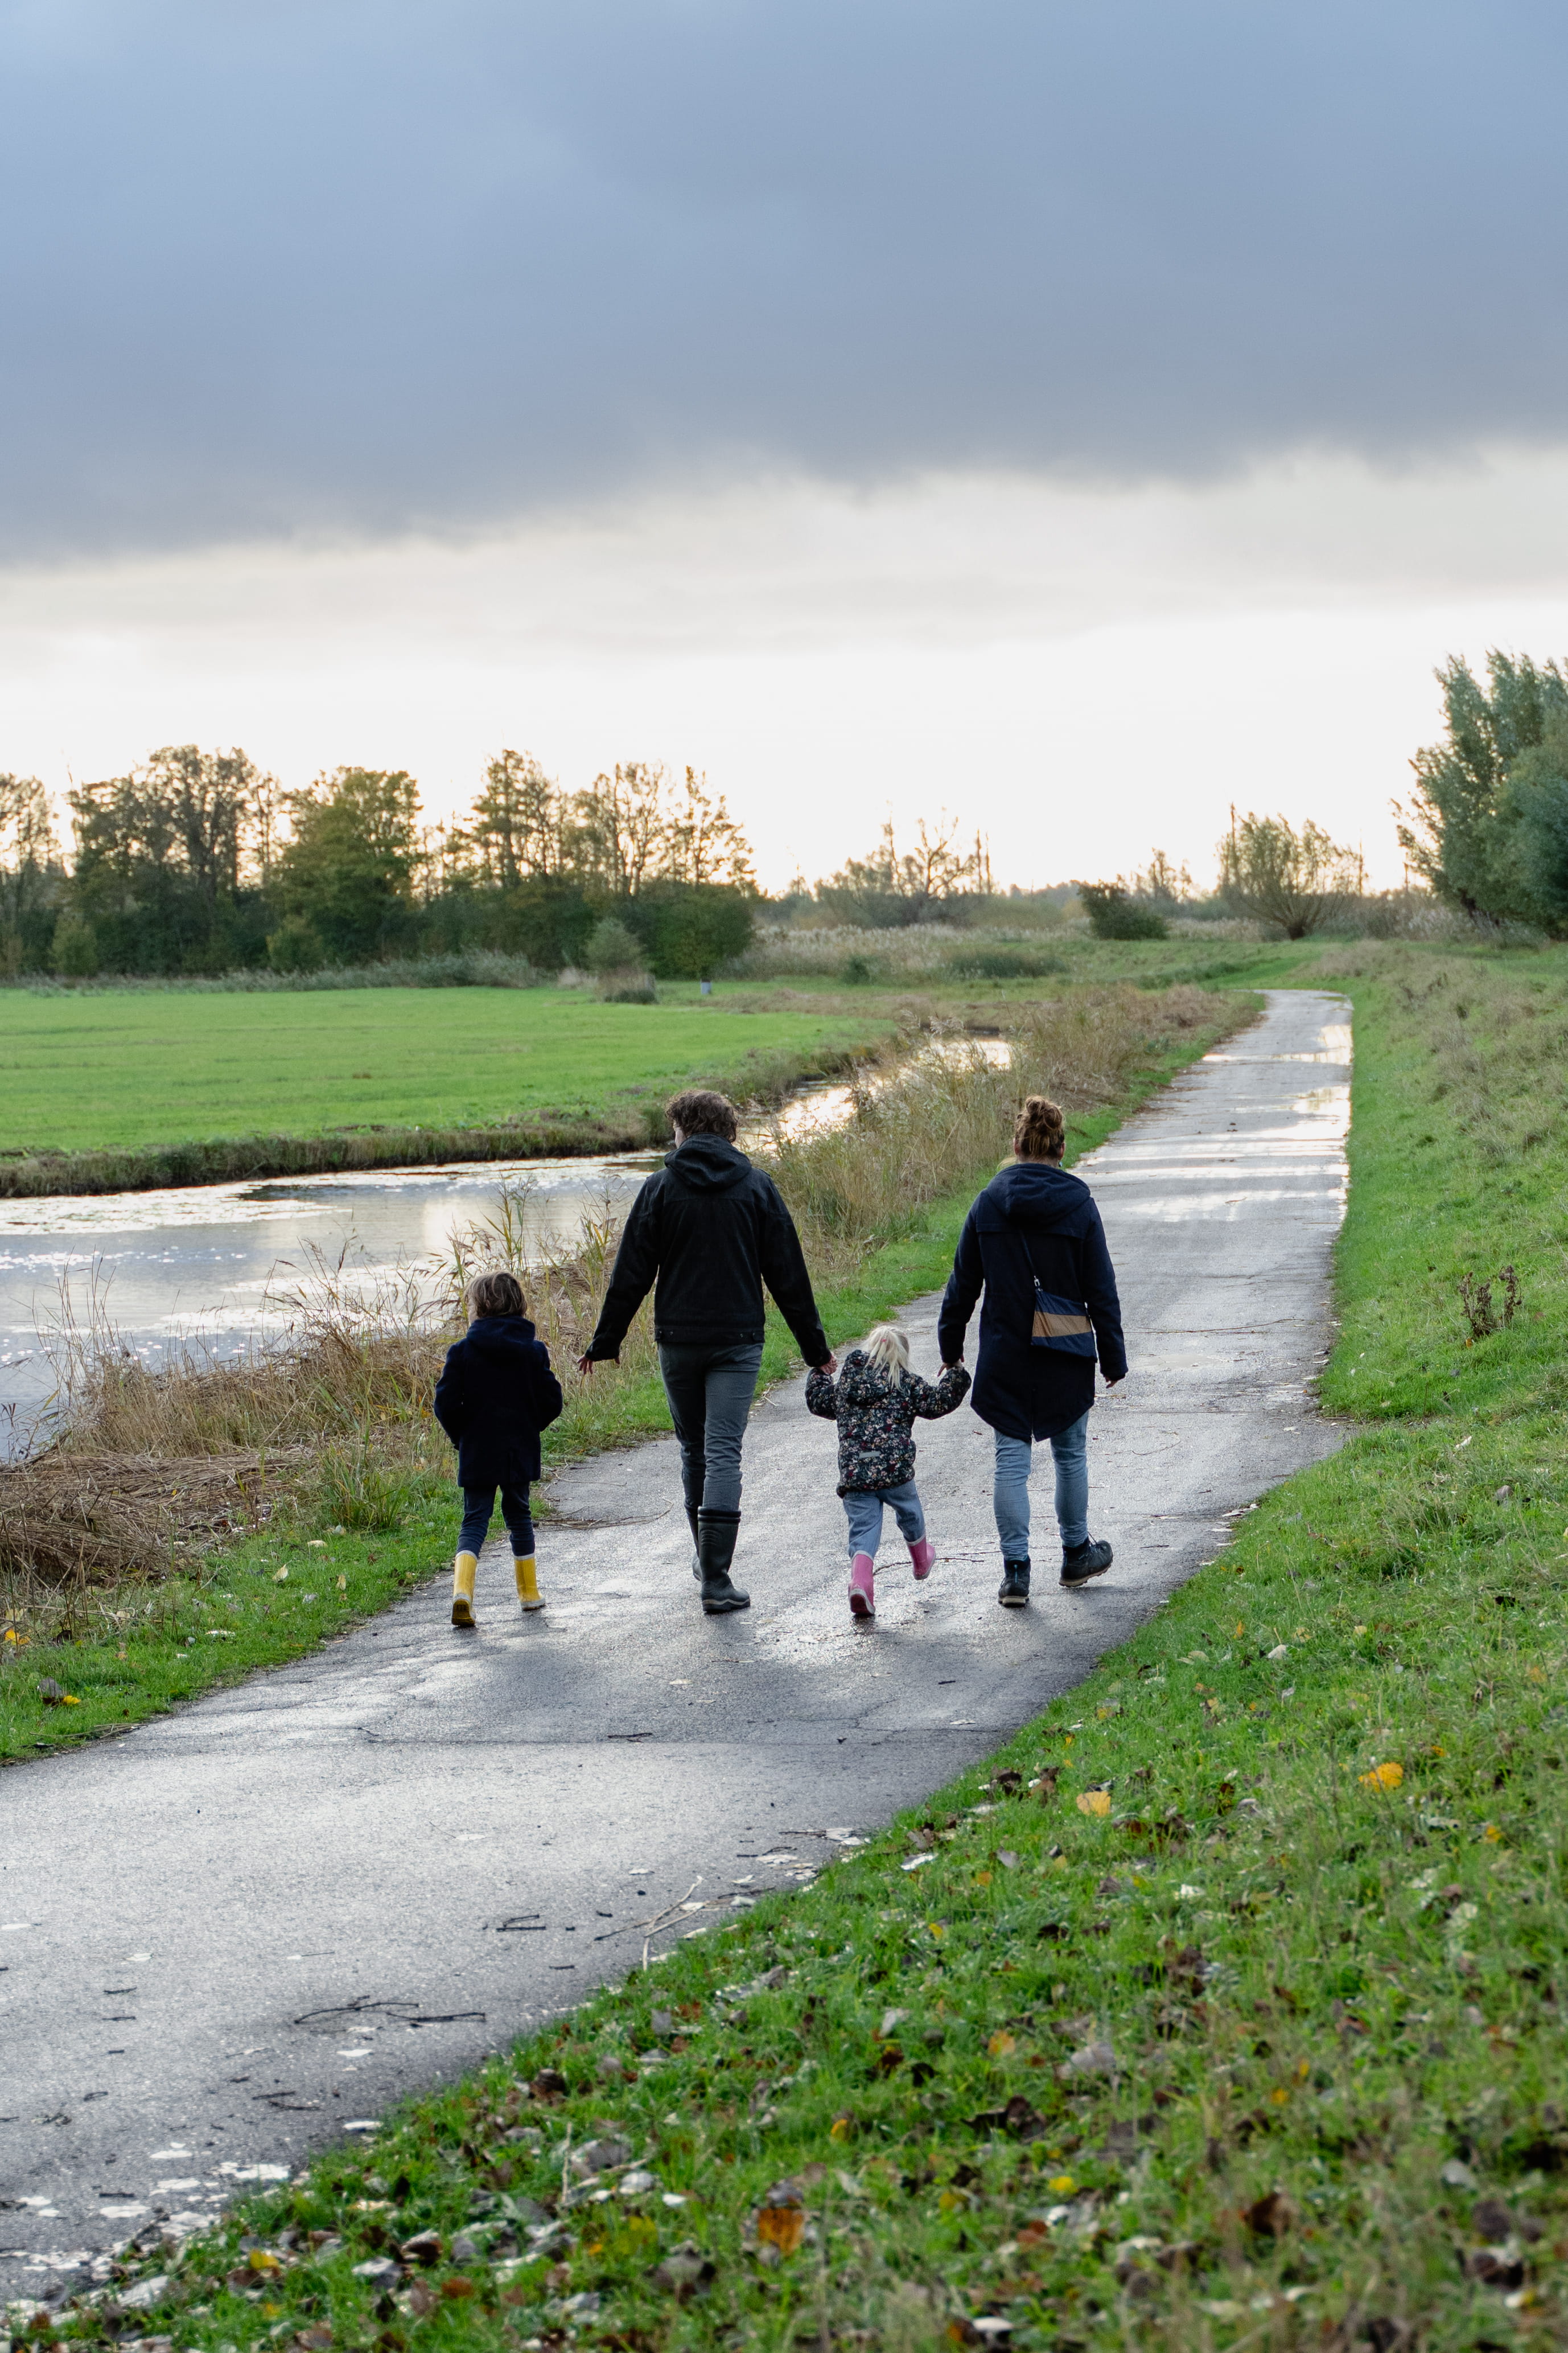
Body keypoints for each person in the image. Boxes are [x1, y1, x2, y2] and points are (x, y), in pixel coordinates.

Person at [578, 1087, 835, 1615]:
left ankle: (707, 1559)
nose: (670, 1136)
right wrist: (816, 1351)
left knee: (695, 1450)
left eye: (673, 1127)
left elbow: (631, 1273)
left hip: (678, 1339)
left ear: (686, 1129)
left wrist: (605, 1341)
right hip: (738, 1341)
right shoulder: (758, 1187)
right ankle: (714, 1578)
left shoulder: (659, 1188)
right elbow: (788, 1275)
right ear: (727, 1130)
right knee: (722, 1452)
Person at [937, 1094, 1126, 1608]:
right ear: (1061, 1148)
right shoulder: (1079, 1203)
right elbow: (1100, 1288)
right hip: (1064, 1347)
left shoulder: (988, 1201)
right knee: (1069, 1455)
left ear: (1016, 1145)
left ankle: (1016, 1573)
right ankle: (1074, 1554)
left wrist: (950, 1347)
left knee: (1010, 1459)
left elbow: (961, 1286)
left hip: (1004, 1350)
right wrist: (1112, 1356)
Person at [806, 1323, 970, 1620]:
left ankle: (860, 1583)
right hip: (895, 1469)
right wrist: (956, 1371)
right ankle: (921, 1560)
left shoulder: (847, 1384)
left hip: (857, 1471)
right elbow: (938, 1402)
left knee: (864, 1529)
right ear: (901, 1356)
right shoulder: (904, 1381)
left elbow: (819, 1401)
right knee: (910, 1510)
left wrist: (819, 1373)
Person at [433, 1268, 564, 1627]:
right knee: (519, 1516)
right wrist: (529, 1426)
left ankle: (463, 1594)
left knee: (475, 1519)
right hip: (518, 1448)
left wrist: (462, 1436)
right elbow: (553, 1400)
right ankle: (530, 1594)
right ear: (519, 1305)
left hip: (477, 1448)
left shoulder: (461, 1352)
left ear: (477, 1307)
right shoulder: (533, 1351)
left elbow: (443, 1403)